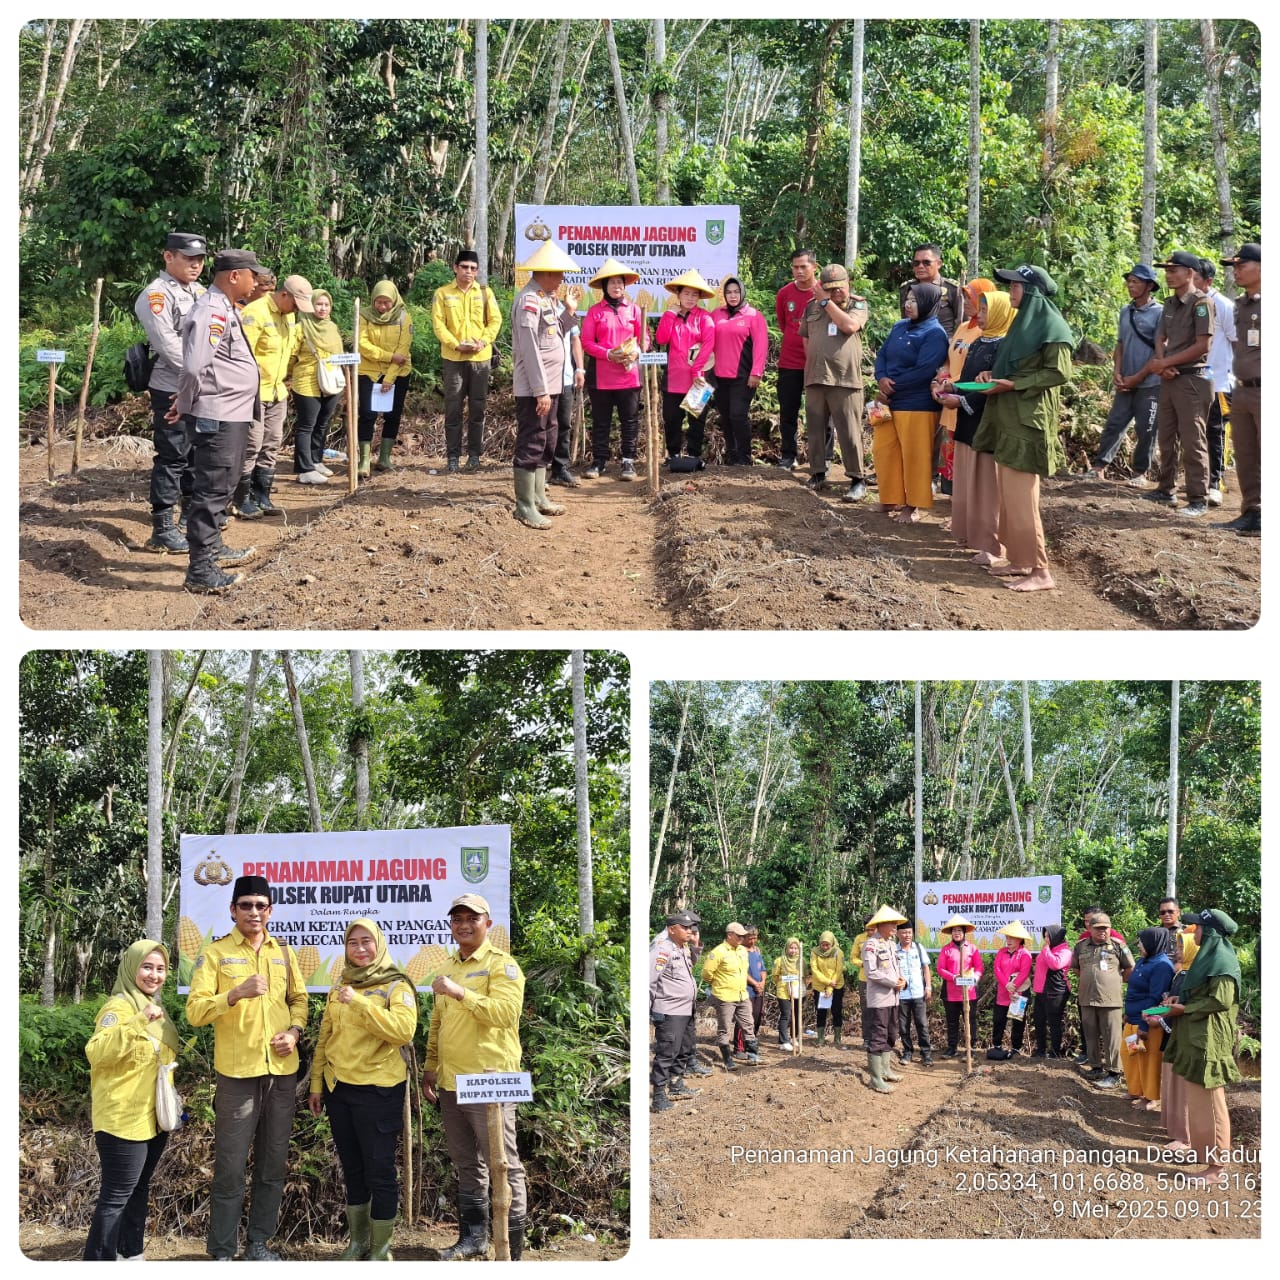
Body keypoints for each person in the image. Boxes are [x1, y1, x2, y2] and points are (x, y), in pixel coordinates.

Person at [185, 874, 308, 1261]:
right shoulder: (216, 954)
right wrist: (234, 994)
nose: (253, 912)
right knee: (231, 1166)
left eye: (260, 905)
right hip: (237, 1075)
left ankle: (259, 1244)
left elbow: (299, 999)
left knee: (272, 1164)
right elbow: (195, 1012)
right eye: (246, 905)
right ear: (233, 910)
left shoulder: (283, 952)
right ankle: (222, 1250)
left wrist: (295, 1031)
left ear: (270, 910)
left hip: (281, 1073)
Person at [423, 894, 528, 1260]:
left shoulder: (503, 965)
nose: (464, 924)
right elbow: (439, 1023)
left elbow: (505, 1013)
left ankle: (512, 1247)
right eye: (457, 918)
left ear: (488, 924)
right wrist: (430, 1067)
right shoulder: (449, 965)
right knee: (467, 1163)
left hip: (489, 1081)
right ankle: (474, 1238)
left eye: (472, 918)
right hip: (452, 1083)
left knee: (505, 1164)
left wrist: (461, 992)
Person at [307, 919, 416, 1260]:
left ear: (379, 943)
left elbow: (403, 1030)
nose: (360, 949)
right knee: (352, 1167)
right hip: (340, 1090)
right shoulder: (341, 983)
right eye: (353, 943)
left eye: (366, 941)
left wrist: (359, 1002)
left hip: (379, 1091)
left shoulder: (395, 985)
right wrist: (316, 1084)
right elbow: (326, 1037)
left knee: (379, 1170)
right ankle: (357, 1243)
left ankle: (381, 1250)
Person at [972, 264, 1074, 591]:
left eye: (1014, 286)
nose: (1010, 292)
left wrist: (1014, 385)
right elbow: (1009, 366)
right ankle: (1018, 559)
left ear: (1029, 291)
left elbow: (1060, 373)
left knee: (1022, 497)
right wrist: (990, 376)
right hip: (1008, 415)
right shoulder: (1021, 325)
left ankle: (1041, 570)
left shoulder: (1051, 326)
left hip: (1028, 420)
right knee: (1008, 496)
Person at [171, 248, 267, 593]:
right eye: (253, 275)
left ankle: (213, 549)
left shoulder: (224, 307)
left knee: (222, 486)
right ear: (234, 276)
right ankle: (201, 571)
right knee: (211, 491)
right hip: (219, 415)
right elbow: (195, 366)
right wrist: (184, 403)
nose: (256, 282)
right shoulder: (212, 309)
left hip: (231, 413)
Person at [83, 940, 179, 1260]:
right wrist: (139, 1021)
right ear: (131, 968)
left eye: (161, 969)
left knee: (138, 1190)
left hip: (153, 1118)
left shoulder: (154, 1008)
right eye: (147, 967)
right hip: (123, 1119)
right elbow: (97, 1053)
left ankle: (130, 1255)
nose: (154, 975)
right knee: (115, 1197)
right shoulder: (119, 1007)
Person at [1153, 909, 1242, 1187]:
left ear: (1211, 931)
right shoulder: (1207, 958)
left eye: (1198, 927)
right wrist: (1181, 998)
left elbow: (1222, 1001)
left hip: (1209, 1041)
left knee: (1211, 1104)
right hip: (1195, 1037)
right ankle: (1203, 1153)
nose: (1194, 931)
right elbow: (1203, 994)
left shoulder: (1222, 959)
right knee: (1199, 1103)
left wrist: (1184, 1008)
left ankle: (1216, 1168)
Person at [134, 231, 208, 554]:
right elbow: (167, 345)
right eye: (188, 258)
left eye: (200, 259)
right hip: (171, 386)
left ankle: (189, 515)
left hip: (199, 385)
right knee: (172, 454)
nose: (196, 265)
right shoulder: (156, 295)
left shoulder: (200, 292)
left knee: (195, 453)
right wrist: (201, 371)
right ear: (168, 256)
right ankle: (162, 527)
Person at [1138, 250, 1216, 517]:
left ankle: (1198, 498)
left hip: (1193, 379)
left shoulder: (1201, 303)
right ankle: (1166, 488)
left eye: (1174, 271)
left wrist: (1166, 364)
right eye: (1167, 270)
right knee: (1166, 436)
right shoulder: (1170, 304)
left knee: (1193, 439)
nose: (1168, 275)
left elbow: (1203, 345)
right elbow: (1160, 336)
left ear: (1190, 273)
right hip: (1170, 377)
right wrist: (1162, 362)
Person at [939, 289, 1013, 565]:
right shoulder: (982, 341)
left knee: (986, 487)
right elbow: (972, 379)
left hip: (985, 422)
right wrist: (952, 389)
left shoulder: (1004, 347)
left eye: (985, 311)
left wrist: (961, 401)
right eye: (979, 309)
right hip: (968, 420)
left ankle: (994, 546)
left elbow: (991, 388)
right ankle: (973, 536)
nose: (979, 315)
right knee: (968, 480)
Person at [510, 240, 580, 527]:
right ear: (545, 272)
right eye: (559, 273)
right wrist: (540, 391)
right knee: (532, 440)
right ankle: (524, 505)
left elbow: (555, 333)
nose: (562, 278)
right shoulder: (528, 300)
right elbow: (529, 349)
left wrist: (569, 310)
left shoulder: (546, 299)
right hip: (534, 389)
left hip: (552, 386)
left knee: (547, 440)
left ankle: (539, 497)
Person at [236, 274, 312, 518]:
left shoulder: (289, 316)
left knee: (271, 444)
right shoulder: (255, 313)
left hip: (277, 391)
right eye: (295, 304)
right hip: (254, 392)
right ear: (283, 295)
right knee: (251, 445)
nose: (297, 311)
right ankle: (241, 500)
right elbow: (242, 355)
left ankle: (262, 496)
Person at [873, 283, 949, 522]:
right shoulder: (899, 326)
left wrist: (892, 386)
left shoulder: (935, 333)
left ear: (928, 303)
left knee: (915, 456)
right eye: (907, 299)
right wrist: (881, 377)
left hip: (916, 403)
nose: (908, 304)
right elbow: (882, 355)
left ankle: (913, 506)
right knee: (885, 450)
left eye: (915, 300)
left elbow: (924, 371)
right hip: (889, 401)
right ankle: (890, 498)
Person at [1080, 264, 1162, 484]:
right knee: (1115, 423)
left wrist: (1138, 377)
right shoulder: (1126, 311)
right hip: (1125, 381)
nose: (1131, 285)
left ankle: (1140, 473)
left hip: (1150, 383)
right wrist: (1117, 372)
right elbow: (1120, 344)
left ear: (1149, 286)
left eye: (1136, 282)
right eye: (1130, 281)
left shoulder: (1160, 313)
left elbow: (1159, 351)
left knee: (1146, 429)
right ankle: (1098, 468)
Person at [800, 262, 870, 500]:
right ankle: (818, 474)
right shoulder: (811, 307)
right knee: (816, 430)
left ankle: (857, 479)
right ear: (822, 287)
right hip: (816, 377)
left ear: (848, 284)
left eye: (839, 287)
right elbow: (806, 338)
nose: (836, 292)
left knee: (849, 431)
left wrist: (825, 302)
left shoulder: (857, 305)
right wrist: (811, 367)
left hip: (845, 379)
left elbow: (849, 326)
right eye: (830, 288)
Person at [432, 249, 502, 473]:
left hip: (480, 359)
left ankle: (474, 456)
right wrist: (455, 344)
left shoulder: (484, 293)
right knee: (453, 408)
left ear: (477, 271)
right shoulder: (443, 293)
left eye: (473, 268)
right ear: (455, 268)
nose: (468, 272)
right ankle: (453, 457)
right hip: (453, 358)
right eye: (464, 267)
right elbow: (438, 324)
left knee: (477, 408)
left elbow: (495, 320)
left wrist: (483, 341)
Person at [581, 258, 646, 481]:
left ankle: (628, 460)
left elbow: (644, 337)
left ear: (625, 286)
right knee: (601, 420)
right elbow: (586, 342)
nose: (617, 287)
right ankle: (599, 460)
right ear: (604, 287)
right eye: (612, 283)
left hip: (629, 375)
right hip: (602, 376)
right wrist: (608, 354)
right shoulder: (594, 312)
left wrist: (637, 351)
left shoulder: (635, 310)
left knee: (629, 420)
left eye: (620, 283)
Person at [932, 278, 994, 497]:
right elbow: (950, 359)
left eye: (972, 297)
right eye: (965, 297)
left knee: (966, 458)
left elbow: (976, 369)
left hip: (965, 398)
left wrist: (952, 385)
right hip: (949, 397)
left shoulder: (986, 333)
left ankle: (962, 510)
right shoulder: (963, 327)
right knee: (950, 456)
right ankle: (955, 506)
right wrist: (941, 377)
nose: (966, 301)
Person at [1216, 243, 1260, 536]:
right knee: (1245, 455)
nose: (1236, 270)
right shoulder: (1241, 305)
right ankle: (1253, 512)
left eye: (1241, 265)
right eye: (1234, 266)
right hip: (1242, 389)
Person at [654, 268, 716, 467]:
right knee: (672, 419)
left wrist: (697, 370)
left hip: (698, 378)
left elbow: (708, 345)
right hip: (673, 378)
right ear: (678, 294)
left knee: (696, 419)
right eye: (686, 293)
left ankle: (693, 455)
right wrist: (671, 315)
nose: (690, 298)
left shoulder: (705, 317)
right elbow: (661, 338)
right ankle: (673, 454)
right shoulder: (670, 315)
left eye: (694, 294)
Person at [1070, 910, 1135, 1091]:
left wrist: (1113, 981)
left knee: (1112, 1037)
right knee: (1090, 1035)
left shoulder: (1118, 946)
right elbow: (1076, 968)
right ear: (1089, 928)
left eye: (1105, 928)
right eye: (1098, 928)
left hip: (1110, 1000)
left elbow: (1130, 969)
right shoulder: (1081, 946)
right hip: (1087, 998)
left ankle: (1114, 1073)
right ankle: (1096, 1067)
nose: (1102, 931)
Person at [357, 280, 414, 478]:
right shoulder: (364, 316)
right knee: (367, 413)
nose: (382, 307)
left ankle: (384, 458)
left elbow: (403, 348)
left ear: (394, 300)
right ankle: (364, 460)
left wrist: (389, 378)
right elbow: (362, 344)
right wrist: (388, 356)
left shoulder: (404, 317)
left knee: (392, 414)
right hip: (369, 371)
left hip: (398, 372)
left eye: (386, 302)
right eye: (378, 302)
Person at [709, 278, 768, 465]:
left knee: (738, 415)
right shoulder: (716, 314)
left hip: (743, 377)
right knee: (726, 417)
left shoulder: (753, 316)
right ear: (724, 295)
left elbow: (761, 346)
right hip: (718, 376)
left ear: (742, 292)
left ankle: (744, 457)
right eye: (729, 292)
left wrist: (756, 372)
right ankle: (733, 456)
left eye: (736, 291)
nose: (733, 295)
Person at [1193, 258, 1236, 506]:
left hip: (1219, 379)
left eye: (1196, 278)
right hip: (1195, 378)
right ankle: (1197, 480)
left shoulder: (1224, 306)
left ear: (1207, 281)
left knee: (1216, 431)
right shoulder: (1192, 304)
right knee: (1194, 430)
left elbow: (1238, 342)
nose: (1192, 283)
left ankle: (1215, 483)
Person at [291, 288, 345, 484]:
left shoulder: (332, 327)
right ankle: (304, 469)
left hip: (331, 380)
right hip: (307, 381)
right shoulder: (301, 327)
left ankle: (316, 460)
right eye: (318, 304)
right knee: (307, 425)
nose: (322, 308)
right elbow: (291, 355)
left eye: (326, 304)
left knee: (323, 423)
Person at [775, 248, 822, 469]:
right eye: (795, 267)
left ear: (815, 267)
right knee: (788, 411)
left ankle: (822, 459)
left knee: (820, 413)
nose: (799, 271)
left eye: (804, 266)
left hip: (818, 362)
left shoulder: (823, 292)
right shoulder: (784, 293)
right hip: (789, 362)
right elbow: (784, 325)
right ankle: (788, 456)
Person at [650, 911, 700, 1113]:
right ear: (672, 929)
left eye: (690, 928)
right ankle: (659, 1096)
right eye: (685, 928)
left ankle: (676, 1083)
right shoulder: (662, 949)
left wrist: (696, 946)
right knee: (666, 1053)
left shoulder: (682, 948)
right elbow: (650, 980)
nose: (689, 931)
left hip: (686, 1009)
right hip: (670, 1010)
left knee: (684, 1048)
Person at [1122, 927, 1175, 1113]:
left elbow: (1155, 998)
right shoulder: (1143, 961)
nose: (1138, 945)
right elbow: (1134, 990)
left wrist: (1144, 1023)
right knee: (1131, 1055)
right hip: (1133, 1018)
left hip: (1147, 1023)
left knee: (1149, 1061)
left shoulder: (1162, 966)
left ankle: (1151, 1097)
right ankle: (1136, 1090)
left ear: (1153, 943)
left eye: (1141, 942)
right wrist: (1127, 1012)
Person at [862, 906, 908, 1092]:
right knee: (878, 1035)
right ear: (881, 924)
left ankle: (886, 1070)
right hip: (880, 999)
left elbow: (896, 968)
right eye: (893, 923)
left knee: (891, 1033)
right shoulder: (871, 944)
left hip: (893, 998)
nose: (896, 927)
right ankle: (875, 1079)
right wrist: (892, 982)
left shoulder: (890, 944)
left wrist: (902, 980)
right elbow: (871, 972)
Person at [701, 922, 758, 1070]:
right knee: (725, 1027)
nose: (741, 938)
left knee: (748, 1023)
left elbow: (743, 971)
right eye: (738, 935)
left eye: (742, 936)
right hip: (725, 996)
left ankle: (753, 1055)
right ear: (729, 935)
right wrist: (720, 983)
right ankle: (727, 1060)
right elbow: (706, 974)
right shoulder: (718, 952)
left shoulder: (742, 951)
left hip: (742, 994)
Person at [549, 290, 586, 486]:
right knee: (543, 424)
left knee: (564, 423)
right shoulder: (537, 307)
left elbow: (574, 340)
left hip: (566, 377)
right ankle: (539, 469)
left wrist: (580, 368)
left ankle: (559, 468)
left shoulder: (566, 310)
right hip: (545, 378)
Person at [936, 916, 983, 1056]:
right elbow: (940, 969)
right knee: (952, 1022)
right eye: (954, 931)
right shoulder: (946, 949)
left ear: (964, 933)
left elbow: (979, 967)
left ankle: (971, 1048)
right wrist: (953, 977)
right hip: (951, 992)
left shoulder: (972, 948)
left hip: (969, 991)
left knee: (971, 1020)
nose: (956, 933)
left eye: (959, 930)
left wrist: (974, 978)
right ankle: (952, 1048)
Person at [898, 244, 964, 338]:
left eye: (926, 262)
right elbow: (905, 320)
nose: (920, 266)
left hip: (943, 345)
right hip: (912, 343)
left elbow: (965, 323)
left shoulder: (953, 289)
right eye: (916, 263)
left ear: (939, 264)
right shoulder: (907, 288)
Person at [990, 920, 1033, 1056]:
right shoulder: (1001, 952)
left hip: (1018, 994)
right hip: (1003, 992)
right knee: (998, 1020)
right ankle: (996, 1045)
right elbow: (997, 969)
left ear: (1019, 939)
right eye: (1007, 937)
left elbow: (1024, 972)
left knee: (1017, 1021)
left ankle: (1016, 1048)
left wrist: (1013, 986)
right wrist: (1006, 984)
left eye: (1012, 937)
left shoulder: (1025, 953)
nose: (1008, 940)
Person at [894, 921, 933, 1066]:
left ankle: (926, 1054)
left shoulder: (918, 947)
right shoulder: (894, 950)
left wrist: (928, 987)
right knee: (903, 1026)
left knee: (922, 1024)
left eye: (909, 932)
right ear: (898, 934)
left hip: (918, 993)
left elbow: (926, 968)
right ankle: (907, 1052)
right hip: (902, 995)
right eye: (904, 932)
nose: (907, 935)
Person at [1031, 925, 1072, 1058]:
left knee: (1054, 1023)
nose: (1046, 938)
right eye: (1045, 936)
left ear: (1056, 936)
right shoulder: (1048, 949)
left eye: (1048, 936)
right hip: (1041, 991)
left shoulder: (1064, 951)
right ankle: (1041, 1050)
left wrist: (1046, 950)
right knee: (1039, 1021)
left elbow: (1055, 964)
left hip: (1056, 992)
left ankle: (1055, 1051)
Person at [808, 930, 846, 1048]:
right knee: (821, 1011)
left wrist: (831, 985)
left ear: (832, 943)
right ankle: (820, 1039)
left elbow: (839, 969)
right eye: (822, 944)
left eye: (827, 945)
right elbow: (814, 969)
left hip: (836, 985)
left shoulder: (838, 952)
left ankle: (837, 1038)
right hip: (820, 986)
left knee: (836, 1010)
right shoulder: (815, 952)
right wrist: (827, 982)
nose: (825, 947)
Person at [772, 937, 805, 1051]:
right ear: (787, 948)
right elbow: (775, 977)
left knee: (796, 1014)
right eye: (791, 948)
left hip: (797, 992)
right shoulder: (779, 961)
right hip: (784, 992)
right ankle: (783, 1041)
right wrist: (786, 980)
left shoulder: (801, 961)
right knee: (786, 1015)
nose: (793, 950)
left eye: (796, 948)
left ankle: (793, 1037)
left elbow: (804, 975)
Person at [738, 926, 767, 1049]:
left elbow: (763, 969)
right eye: (750, 938)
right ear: (744, 938)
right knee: (744, 1019)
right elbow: (742, 971)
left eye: (755, 938)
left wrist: (762, 983)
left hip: (758, 991)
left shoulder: (757, 951)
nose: (753, 941)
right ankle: (740, 1047)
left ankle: (751, 1044)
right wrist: (755, 983)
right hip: (746, 991)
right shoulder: (740, 951)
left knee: (756, 1017)